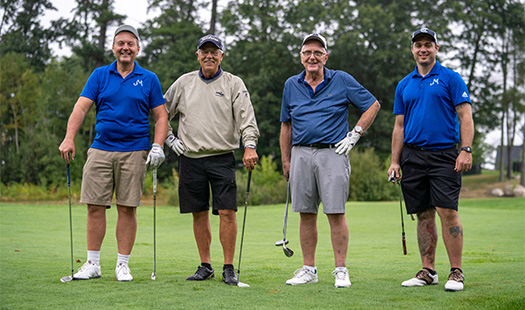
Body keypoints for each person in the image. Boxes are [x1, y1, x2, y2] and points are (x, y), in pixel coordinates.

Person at [58, 25, 168, 282]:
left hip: (135, 151)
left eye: (130, 43)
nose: (125, 48)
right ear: (113, 48)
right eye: (120, 43)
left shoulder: (149, 78)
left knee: (127, 208)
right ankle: (93, 264)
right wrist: (68, 138)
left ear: (137, 49)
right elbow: (81, 108)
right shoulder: (99, 75)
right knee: (95, 206)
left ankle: (122, 265)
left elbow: (161, 115)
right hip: (101, 149)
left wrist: (157, 145)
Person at [280, 33, 381, 288]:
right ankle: (308, 269)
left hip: (333, 152)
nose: (312, 57)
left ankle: (341, 269)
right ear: (301, 57)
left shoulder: (341, 80)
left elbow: (372, 105)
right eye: (307, 52)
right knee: (305, 213)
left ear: (326, 56)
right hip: (301, 152)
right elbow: (286, 125)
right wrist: (286, 159)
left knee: (335, 211)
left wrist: (355, 134)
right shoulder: (291, 84)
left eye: (317, 52)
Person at [163, 34, 260, 286]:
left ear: (221, 55)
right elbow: (161, 113)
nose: (209, 55)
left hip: (221, 158)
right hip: (190, 158)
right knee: (198, 212)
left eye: (214, 52)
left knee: (227, 212)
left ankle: (228, 267)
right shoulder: (184, 83)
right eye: (204, 51)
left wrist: (249, 146)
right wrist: (169, 140)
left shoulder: (233, 83)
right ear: (197, 55)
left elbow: (246, 118)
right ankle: (205, 265)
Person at [387, 28, 474, 292]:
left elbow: (465, 116)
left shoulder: (451, 78)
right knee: (423, 214)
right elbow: (399, 126)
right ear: (412, 49)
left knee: (447, 211)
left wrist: (466, 149)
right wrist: (394, 161)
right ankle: (428, 270)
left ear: (436, 48)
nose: (423, 49)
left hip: (445, 153)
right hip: (412, 155)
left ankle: (456, 272)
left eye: (428, 44)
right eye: (418, 45)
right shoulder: (405, 84)